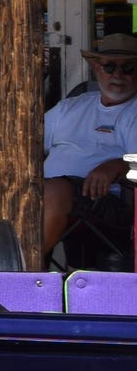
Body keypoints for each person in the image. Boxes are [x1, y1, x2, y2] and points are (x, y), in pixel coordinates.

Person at [45, 32, 137, 266]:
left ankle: (20, 271)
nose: (118, 75)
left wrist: (117, 165)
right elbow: (29, 142)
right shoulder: (72, 106)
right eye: (109, 67)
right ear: (97, 68)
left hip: (106, 200)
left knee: (53, 191)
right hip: (49, 190)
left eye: (128, 68)